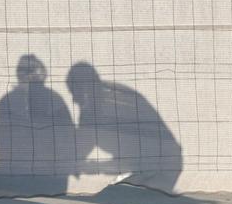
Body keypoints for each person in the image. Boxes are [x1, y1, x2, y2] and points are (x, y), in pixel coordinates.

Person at [66, 62, 182, 193]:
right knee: (116, 195)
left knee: (115, 197)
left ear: (84, 87)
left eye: (74, 92)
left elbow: (85, 145)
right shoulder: (112, 96)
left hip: (157, 168)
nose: (74, 100)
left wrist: (80, 164)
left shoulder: (101, 109)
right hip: (160, 164)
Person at [0, 54, 75, 196]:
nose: (27, 75)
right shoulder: (7, 101)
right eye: (23, 70)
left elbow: (67, 136)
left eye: (31, 70)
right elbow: (3, 141)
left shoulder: (54, 100)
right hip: (20, 175)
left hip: (49, 174)